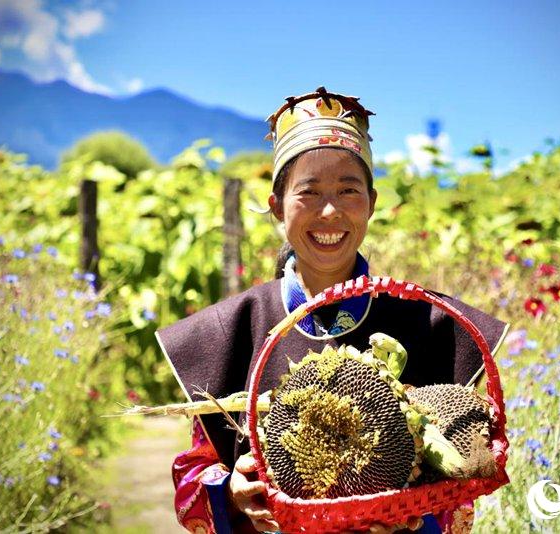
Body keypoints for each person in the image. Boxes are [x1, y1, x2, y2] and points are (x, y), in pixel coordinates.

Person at [156, 87, 510, 533]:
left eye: (348, 190)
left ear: (371, 203)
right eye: (309, 191)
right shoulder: (229, 332)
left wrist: (416, 521)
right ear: (277, 207)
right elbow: (193, 475)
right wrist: (230, 494)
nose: (329, 211)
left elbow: (459, 496)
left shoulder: (435, 326)